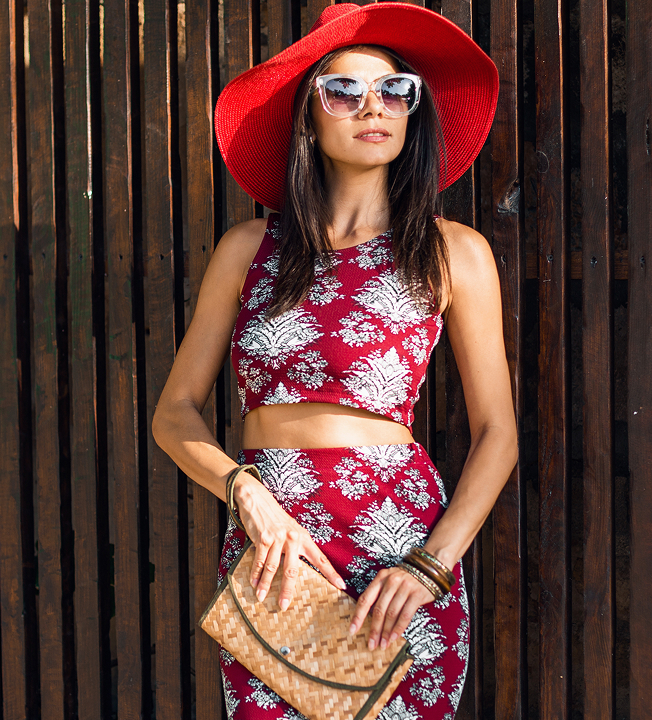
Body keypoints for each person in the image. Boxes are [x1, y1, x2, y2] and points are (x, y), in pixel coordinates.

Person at [152, 3, 516, 717]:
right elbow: (173, 413)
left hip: (399, 552)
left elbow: (497, 433)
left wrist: (431, 565)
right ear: (308, 117)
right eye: (343, 91)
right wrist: (245, 494)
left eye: (395, 91)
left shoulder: (454, 252)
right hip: (275, 557)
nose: (372, 106)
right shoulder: (246, 249)